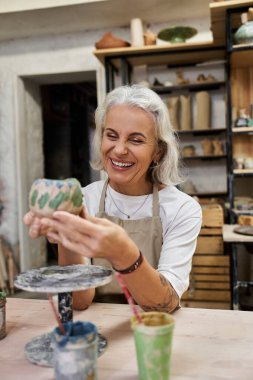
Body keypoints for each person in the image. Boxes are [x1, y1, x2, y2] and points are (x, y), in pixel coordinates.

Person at [24, 84, 202, 313]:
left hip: (152, 332)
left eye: (136, 140)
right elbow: (79, 302)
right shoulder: (84, 199)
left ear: (157, 151)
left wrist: (123, 252)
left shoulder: (181, 209)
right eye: (111, 136)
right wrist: (67, 237)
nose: (119, 150)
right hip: (98, 330)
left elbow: (164, 304)